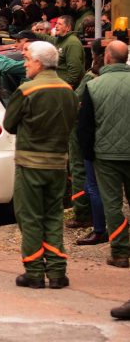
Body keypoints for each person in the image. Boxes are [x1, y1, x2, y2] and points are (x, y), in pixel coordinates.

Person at [3, 41, 78, 289]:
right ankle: (57, 271)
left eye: (27, 60)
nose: (24, 64)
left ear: (38, 62)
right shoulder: (68, 90)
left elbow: (9, 124)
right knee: (53, 215)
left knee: (30, 216)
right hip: (58, 163)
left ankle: (34, 271)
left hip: (30, 162)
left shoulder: (26, 90)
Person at [78, 41, 130, 269]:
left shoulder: (94, 86)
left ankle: (120, 252)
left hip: (106, 155)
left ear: (107, 57)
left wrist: (88, 154)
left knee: (112, 204)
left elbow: (85, 126)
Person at [72, 40, 107, 245]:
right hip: (116, 144)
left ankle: (92, 222)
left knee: (91, 183)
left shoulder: (91, 80)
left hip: (93, 141)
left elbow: (79, 108)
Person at [33, 15, 84, 89]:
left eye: (59, 24)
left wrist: (67, 86)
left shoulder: (72, 43)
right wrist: (29, 33)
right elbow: (46, 37)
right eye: (56, 23)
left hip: (65, 86)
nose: (56, 26)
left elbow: (75, 70)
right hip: (56, 82)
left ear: (68, 27)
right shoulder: (60, 40)